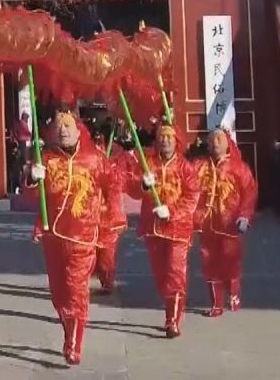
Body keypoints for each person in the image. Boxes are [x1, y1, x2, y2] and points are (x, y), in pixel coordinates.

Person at [25, 109, 113, 365]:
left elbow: (111, 189)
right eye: (58, 126)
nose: (62, 130)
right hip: (54, 235)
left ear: (78, 131)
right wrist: (32, 178)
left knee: (76, 289)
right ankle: (69, 326)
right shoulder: (47, 160)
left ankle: (73, 343)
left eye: (68, 126)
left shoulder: (95, 159)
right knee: (59, 293)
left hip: (83, 237)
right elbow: (32, 196)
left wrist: (109, 223)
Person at [122, 121, 200, 338]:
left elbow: (192, 197)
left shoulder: (186, 168)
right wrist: (143, 185)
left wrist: (172, 211)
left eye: (169, 137)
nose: (165, 140)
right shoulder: (148, 164)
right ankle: (171, 307)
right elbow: (132, 189)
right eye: (162, 136)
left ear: (177, 141)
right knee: (162, 277)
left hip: (178, 229)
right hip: (153, 229)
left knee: (176, 274)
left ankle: (172, 320)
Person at [193, 127, 257, 317]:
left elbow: (249, 193)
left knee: (230, 262)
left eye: (219, 139)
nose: (215, 143)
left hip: (230, 223)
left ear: (227, 142)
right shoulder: (199, 166)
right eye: (212, 140)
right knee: (209, 263)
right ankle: (216, 304)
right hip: (206, 223)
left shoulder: (239, 167)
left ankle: (234, 293)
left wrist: (245, 215)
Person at [95, 121, 128, 295]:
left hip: (111, 212)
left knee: (107, 252)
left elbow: (124, 178)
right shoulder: (91, 152)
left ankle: (107, 279)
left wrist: (110, 174)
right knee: (90, 251)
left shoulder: (119, 155)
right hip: (91, 211)